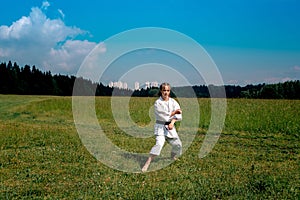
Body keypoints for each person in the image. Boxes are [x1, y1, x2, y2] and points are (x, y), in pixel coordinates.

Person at [142, 82, 182, 172]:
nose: (166, 92)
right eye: (164, 90)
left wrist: (172, 122)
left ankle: (173, 156)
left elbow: (178, 114)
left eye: (168, 90)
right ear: (161, 91)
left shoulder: (173, 102)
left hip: (170, 127)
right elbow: (165, 116)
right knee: (159, 144)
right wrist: (175, 113)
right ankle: (147, 162)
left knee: (178, 145)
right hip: (160, 127)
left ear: (169, 91)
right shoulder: (158, 103)